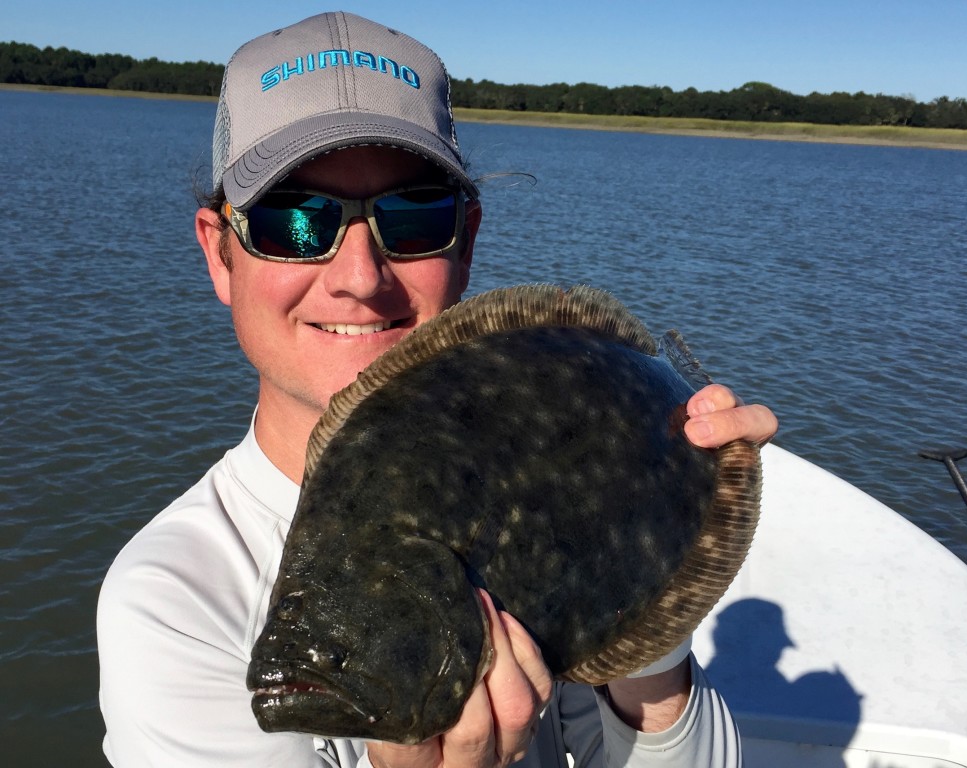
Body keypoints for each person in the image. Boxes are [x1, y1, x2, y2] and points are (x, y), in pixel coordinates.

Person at [97, 11, 777, 768]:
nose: (360, 277)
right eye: (296, 220)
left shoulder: (545, 468)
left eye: (414, 215)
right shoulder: (174, 604)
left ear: (468, 239)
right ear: (219, 255)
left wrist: (668, 552)